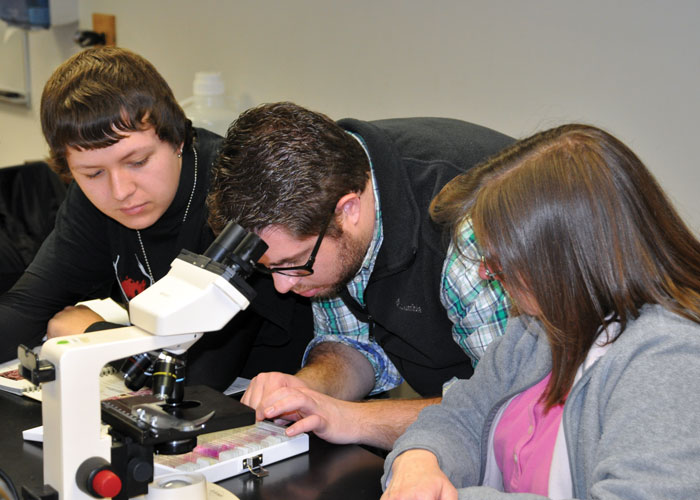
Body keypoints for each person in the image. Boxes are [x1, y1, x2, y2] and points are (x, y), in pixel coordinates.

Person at [381, 124, 700, 499]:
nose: (487, 273)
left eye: (500, 260)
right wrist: (418, 459)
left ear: (567, 257)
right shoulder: (537, 327)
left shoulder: (671, 358)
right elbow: (457, 416)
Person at [0, 47, 313, 390]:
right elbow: (26, 307)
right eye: (92, 174)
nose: (120, 191)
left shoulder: (239, 195)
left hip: (275, 408)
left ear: (177, 137)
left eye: (138, 162)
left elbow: (199, 375)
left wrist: (89, 332)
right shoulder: (93, 201)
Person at [207, 101, 513, 448]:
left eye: (294, 263)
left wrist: (349, 418)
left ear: (348, 210)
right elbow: (352, 342)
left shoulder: (467, 235)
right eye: (269, 268)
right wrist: (308, 389)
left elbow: (507, 411)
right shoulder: (326, 182)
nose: (282, 285)